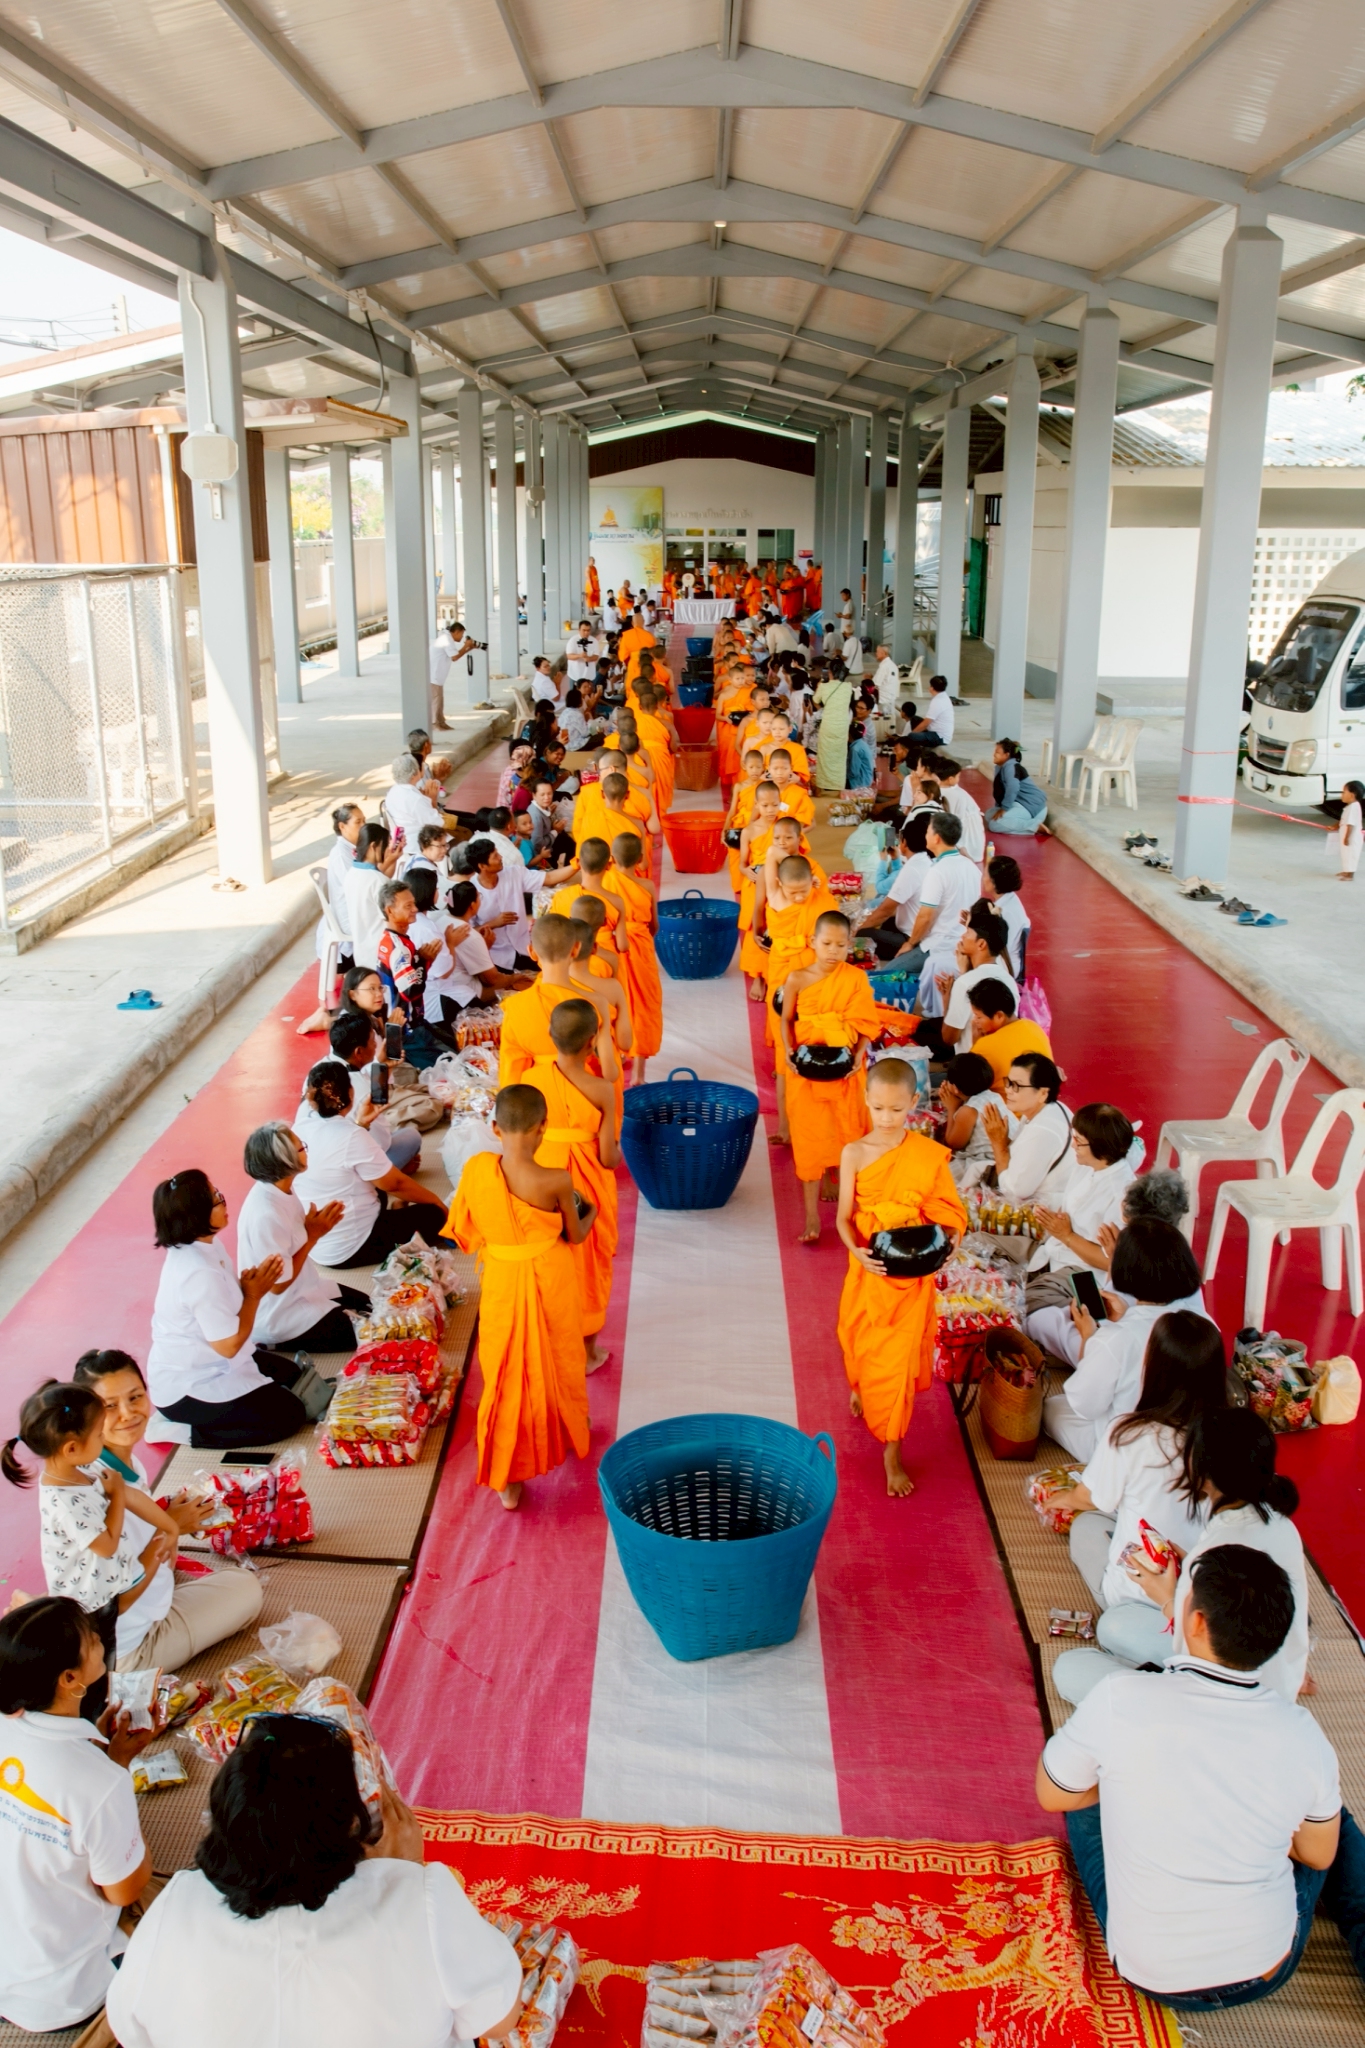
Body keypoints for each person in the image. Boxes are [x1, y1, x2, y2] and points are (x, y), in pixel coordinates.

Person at [1037, 1544, 1365, 2012]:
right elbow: (1317, 1854)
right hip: (1264, 1971)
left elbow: (1051, 1795)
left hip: (1148, 1972)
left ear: (1193, 1622)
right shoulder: (1303, 1735)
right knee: (1327, 1812)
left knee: (1082, 1787)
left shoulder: (1119, 1698)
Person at [106, 1715, 525, 2048]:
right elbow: (499, 2019)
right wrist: (407, 1876)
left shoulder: (175, 1906)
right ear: (348, 1821)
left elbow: (132, 2031)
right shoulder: (422, 1897)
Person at [1057, 1406, 1311, 1706]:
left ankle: (1151, 1685)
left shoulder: (1216, 1548)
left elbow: (1202, 1648)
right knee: (1114, 1625)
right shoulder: (1281, 1525)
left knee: (1070, 1668)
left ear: (1202, 1470)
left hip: (1214, 1695)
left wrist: (1166, 1598)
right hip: (1274, 1682)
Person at [0, 1595, 160, 2032]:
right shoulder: (100, 1784)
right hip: (63, 1995)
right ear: (71, 1678)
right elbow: (124, 1892)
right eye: (91, 1639)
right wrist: (114, 1777)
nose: (98, 1637)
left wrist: (111, 1761)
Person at [64, 1350, 262, 1672]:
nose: (127, 1414)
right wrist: (169, 1527)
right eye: (109, 1406)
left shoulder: (113, 1461)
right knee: (246, 1587)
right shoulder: (96, 1490)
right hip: (126, 1647)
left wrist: (164, 1516)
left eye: (135, 1397)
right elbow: (116, 1602)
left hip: (122, 1622)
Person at [445, 1086, 594, 1510]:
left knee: (506, 1373)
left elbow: (464, 1232)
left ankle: (507, 1480)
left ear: (494, 1128)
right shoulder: (556, 1179)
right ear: (543, 1128)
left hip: (502, 1284)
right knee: (561, 1354)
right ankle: (570, 1424)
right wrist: (594, 1212)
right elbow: (575, 1234)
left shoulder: (476, 1169)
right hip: (551, 1277)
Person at [2, 1381, 181, 1716]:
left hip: (107, 1577)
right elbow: (106, 1543)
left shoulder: (84, 1465)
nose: (105, 1439)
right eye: (99, 1434)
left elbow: (129, 1495)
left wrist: (170, 1526)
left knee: (105, 1639)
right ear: (71, 1447)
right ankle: (92, 1715)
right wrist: (114, 1497)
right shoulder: (63, 1499)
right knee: (93, 1664)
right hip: (86, 1595)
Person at [836, 1058, 966, 1497]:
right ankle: (860, 1386)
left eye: (896, 1109)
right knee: (856, 1342)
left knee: (894, 1366)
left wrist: (950, 1244)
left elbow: (948, 1213)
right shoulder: (853, 1153)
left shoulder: (926, 1156)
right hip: (870, 1269)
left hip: (911, 1277)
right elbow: (842, 1217)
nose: (887, 1119)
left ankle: (892, 1453)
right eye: (878, 1109)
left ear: (914, 1102)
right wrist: (855, 1249)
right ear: (865, 1100)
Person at [145, 1172, 305, 1450]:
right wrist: (254, 1294)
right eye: (216, 1199)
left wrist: (250, 1287)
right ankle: (183, 1432)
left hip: (215, 1358)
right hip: (189, 1385)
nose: (223, 1201)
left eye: (217, 1192)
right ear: (196, 1215)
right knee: (290, 1416)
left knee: (294, 1376)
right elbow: (229, 1346)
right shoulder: (197, 1272)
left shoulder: (204, 1244)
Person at [1037, 1218, 1208, 1461]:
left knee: (1053, 1407)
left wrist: (1089, 1335)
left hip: (1127, 1454)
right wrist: (1126, 1316)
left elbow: (1085, 1405)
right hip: (1190, 1449)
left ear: (1124, 1273)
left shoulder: (1116, 1338)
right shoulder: (1206, 1325)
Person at [530, 999, 620, 1370]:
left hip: (541, 1178)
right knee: (589, 1261)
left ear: (550, 1036)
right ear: (591, 1043)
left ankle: (551, 1341)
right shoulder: (602, 1090)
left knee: (552, 1258)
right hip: (585, 1185)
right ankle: (587, 1352)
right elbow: (608, 1158)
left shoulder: (531, 1080)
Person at [781, 911, 880, 1245]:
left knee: (846, 1133)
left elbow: (865, 1024)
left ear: (850, 945)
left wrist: (860, 1055)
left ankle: (839, 1189)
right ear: (813, 942)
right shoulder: (796, 978)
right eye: (827, 943)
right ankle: (811, 1217)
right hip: (807, 1070)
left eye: (840, 945)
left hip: (844, 1069)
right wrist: (785, 1051)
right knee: (810, 1141)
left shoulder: (855, 979)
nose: (833, 951)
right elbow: (786, 1020)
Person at [293, 1064, 447, 1268]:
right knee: (433, 1216)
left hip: (317, 1243)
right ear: (351, 1092)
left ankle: (394, 1212)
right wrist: (438, 1203)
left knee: (378, 1179)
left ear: (310, 1097)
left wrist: (361, 1124)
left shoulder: (298, 1128)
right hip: (351, 1247)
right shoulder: (350, 1135)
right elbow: (396, 1185)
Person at [238, 1123, 365, 1352]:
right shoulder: (265, 1214)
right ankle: (278, 1342)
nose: (306, 1151)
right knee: (369, 1332)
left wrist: (309, 1229)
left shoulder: (282, 1187)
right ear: (285, 1161)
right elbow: (277, 1286)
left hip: (307, 1285)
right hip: (281, 1312)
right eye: (301, 1148)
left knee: (373, 1306)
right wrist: (313, 1235)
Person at [899, 813, 980, 1018]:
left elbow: (925, 916)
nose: (926, 835)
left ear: (936, 838)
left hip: (938, 944)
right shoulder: (971, 866)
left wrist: (910, 943)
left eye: (928, 831)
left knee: (887, 974)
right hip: (962, 941)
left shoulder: (938, 871)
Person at [298, 802, 365, 1035]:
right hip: (346, 919)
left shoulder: (354, 849)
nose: (363, 826)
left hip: (350, 912)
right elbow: (358, 886)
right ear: (342, 826)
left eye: (364, 821)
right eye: (358, 822)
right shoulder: (340, 854)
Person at [608, 831, 663, 1084]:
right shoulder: (647, 886)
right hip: (640, 947)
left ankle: (617, 1054)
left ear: (612, 857)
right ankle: (639, 1074)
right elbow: (654, 926)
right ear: (641, 858)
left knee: (617, 1003)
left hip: (612, 949)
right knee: (642, 1005)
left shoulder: (606, 883)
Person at [980, 1049, 1071, 1202]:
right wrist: (1001, 1139)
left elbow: (1014, 1192)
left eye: (1017, 1086)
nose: (1008, 1090)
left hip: (1045, 1210)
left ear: (1043, 1093)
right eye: (1008, 1082)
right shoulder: (1047, 1109)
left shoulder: (1043, 1131)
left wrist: (998, 1144)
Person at [935, 903, 1017, 1052]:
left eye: (967, 932)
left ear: (981, 944)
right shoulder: (1010, 981)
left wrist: (947, 998)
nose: (962, 936)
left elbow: (948, 1038)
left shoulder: (965, 983)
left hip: (972, 1067)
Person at [857, 814, 935, 965]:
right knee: (883, 921)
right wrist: (895, 859)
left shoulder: (912, 869)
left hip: (914, 938)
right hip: (919, 929)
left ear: (904, 842)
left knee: (863, 933)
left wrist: (857, 930)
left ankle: (904, 954)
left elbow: (885, 909)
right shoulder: (925, 860)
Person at [965, 979, 1052, 1088]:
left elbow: (966, 1083)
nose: (975, 1021)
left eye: (978, 1017)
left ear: (999, 1016)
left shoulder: (985, 1046)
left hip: (1005, 1103)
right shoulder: (1034, 1027)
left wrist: (976, 1044)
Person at [938, 1050, 1003, 1188]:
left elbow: (954, 1143)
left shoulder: (968, 1111)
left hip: (988, 1163)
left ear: (955, 1088)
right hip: (1006, 1155)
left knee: (940, 1176)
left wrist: (952, 1109)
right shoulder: (993, 1096)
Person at [466, 839, 532, 971]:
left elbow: (548, 878)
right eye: (495, 856)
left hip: (524, 946)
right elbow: (467, 933)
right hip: (496, 957)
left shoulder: (513, 873)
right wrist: (493, 924)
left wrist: (575, 865)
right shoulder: (470, 891)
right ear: (482, 866)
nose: (501, 857)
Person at [344, 822, 395, 972]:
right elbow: (391, 919)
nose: (387, 851)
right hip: (382, 954)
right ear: (374, 847)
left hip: (361, 953)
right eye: (385, 845)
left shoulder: (351, 874)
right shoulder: (378, 881)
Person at [987, 738, 1049, 836]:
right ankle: (1025, 823)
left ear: (1006, 755)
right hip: (1020, 804)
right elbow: (1000, 791)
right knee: (988, 815)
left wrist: (1004, 809)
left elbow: (1013, 788)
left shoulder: (1011, 767)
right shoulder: (1001, 767)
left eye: (997, 752)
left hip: (1031, 806)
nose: (994, 754)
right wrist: (1001, 809)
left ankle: (1033, 826)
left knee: (994, 824)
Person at [981, 853, 1030, 976]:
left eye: (985, 874)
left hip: (1004, 968)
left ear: (993, 882)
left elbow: (999, 949)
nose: (982, 877)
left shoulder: (1006, 912)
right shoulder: (1010, 901)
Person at [384, 755, 444, 849]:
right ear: (413, 774)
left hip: (404, 843)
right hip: (419, 844)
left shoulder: (392, 792)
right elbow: (438, 823)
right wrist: (433, 800)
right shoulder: (415, 799)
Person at [932, 759, 985, 862]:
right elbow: (958, 820)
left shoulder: (937, 790)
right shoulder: (957, 794)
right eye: (958, 776)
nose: (959, 779)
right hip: (966, 830)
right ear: (950, 779)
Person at [812, 662, 854, 793]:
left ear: (829, 672)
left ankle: (824, 785)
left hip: (828, 725)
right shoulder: (848, 687)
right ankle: (838, 786)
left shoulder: (824, 687)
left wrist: (820, 686)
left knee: (825, 756)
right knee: (839, 757)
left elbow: (815, 700)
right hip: (842, 726)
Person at [1334, 777, 1364, 880]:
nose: (1341, 795)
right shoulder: (1350, 806)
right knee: (1346, 855)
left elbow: (1350, 824)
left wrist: (1347, 838)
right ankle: (1346, 871)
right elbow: (1344, 820)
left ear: (1352, 795)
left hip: (1352, 838)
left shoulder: (1353, 807)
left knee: (1351, 856)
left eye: (1344, 792)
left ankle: (1350, 875)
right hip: (1348, 837)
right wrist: (1334, 826)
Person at [912, 673, 955, 745]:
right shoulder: (943, 696)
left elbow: (926, 723)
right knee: (914, 719)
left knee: (912, 736)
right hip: (934, 730)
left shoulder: (938, 701)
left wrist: (911, 734)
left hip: (939, 737)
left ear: (932, 688)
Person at [870, 644, 898, 714]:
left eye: (877, 652)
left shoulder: (884, 667)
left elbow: (875, 684)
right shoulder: (892, 665)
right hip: (891, 698)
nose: (876, 654)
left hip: (883, 699)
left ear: (884, 653)